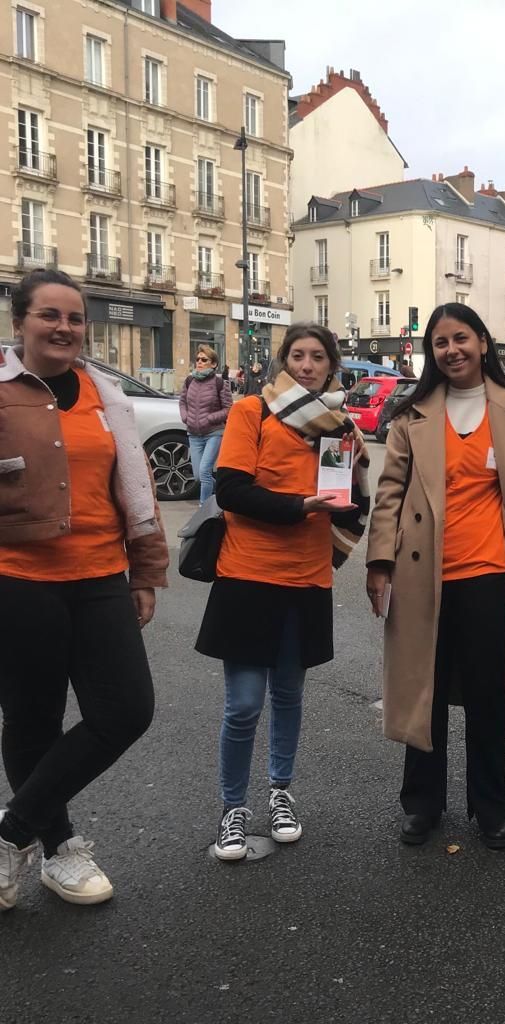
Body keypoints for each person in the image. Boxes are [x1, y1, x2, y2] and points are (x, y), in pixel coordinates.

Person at [0, 269, 168, 908]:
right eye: (50, 315)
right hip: (19, 582)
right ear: (21, 322)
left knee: (126, 710)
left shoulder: (106, 396)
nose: (64, 328)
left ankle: (12, 831)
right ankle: (59, 848)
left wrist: (146, 571)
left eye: (74, 318)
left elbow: (136, 488)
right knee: (33, 717)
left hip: (100, 575)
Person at [365, 302, 505, 849]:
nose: (451, 351)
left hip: (495, 575)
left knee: (487, 697)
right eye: (440, 343)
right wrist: (380, 563)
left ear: (483, 342)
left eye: (460, 339)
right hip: (424, 574)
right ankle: (421, 804)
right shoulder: (413, 415)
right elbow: (390, 495)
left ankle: (490, 806)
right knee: (423, 690)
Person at [195, 323, 369, 861]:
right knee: (244, 705)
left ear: (332, 366)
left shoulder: (338, 427)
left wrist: (358, 471)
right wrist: (301, 506)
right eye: (297, 355)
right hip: (248, 575)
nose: (307, 365)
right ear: (282, 361)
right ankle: (232, 809)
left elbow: (352, 510)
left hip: (308, 577)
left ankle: (279, 793)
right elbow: (231, 490)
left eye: (318, 357)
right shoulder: (253, 411)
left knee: (290, 695)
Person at [179, 344, 233, 504]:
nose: (199, 362)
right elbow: (182, 402)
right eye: (197, 359)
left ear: (214, 364)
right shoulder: (189, 381)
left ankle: (203, 508)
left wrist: (209, 418)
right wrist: (185, 417)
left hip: (214, 433)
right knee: (198, 476)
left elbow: (229, 409)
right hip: (193, 434)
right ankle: (221, 492)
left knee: (204, 472)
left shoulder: (220, 384)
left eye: (204, 359)